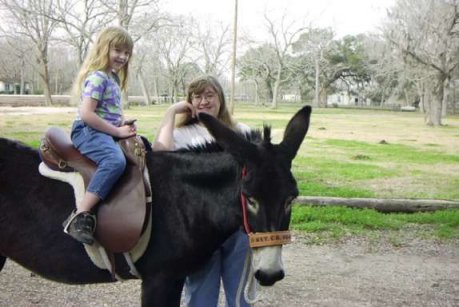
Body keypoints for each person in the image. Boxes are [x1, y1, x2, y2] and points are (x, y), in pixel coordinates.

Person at [153, 75, 253, 307]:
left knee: (240, 296)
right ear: (189, 101)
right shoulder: (182, 134)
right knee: (200, 295)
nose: (203, 101)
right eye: (197, 96)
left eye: (209, 95)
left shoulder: (240, 132)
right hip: (200, 230)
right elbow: (160, 157)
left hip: (237, 228)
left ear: (221, 99)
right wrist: (170, 114)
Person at [63, 26, 136, 245]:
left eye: (126, 52)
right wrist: (116, 131)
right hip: (87, 131)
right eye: (117, 50)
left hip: (102, 129)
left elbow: (106, 112)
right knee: (114, 161)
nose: (122, 56)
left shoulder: (112, 78)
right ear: (103, 49)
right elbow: (87, 114)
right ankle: (80, 214)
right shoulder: (98, 78)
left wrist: (121, 124)